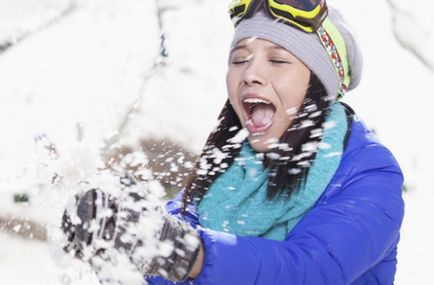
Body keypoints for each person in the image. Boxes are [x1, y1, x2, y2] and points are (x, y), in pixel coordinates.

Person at [61, 0, 405, 284]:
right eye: (239, 59)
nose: (250, 74)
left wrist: (186, 253)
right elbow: (168, 248)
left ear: (319, 85)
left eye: (278, 60)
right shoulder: (227, 170)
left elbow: (310, 269)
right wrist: (120, 236)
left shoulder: (370, 174)